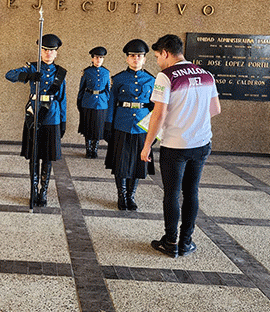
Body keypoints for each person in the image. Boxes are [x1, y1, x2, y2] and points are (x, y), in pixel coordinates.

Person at [142, 34, 220, 258]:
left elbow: (158, 114)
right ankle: (186, 242)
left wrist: (147, 145)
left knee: (172, 193)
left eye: (157, 56)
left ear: (166, 53)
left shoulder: (166, 76)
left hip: (175, 145)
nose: (157, 61)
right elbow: (215, 109)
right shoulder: (206, 74)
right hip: (202, 143)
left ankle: (170, 241)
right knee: (191, 192)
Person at [5, 34, 66, 207]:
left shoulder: (60, 73)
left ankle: (43, 191)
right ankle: (33, 190)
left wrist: (63, 122)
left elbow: (62, 99)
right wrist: (29, 77)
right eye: (45, 50)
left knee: (47, 157)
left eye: (51, 51)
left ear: (56, 53)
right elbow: (9, 75)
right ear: (40, 51)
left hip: (52, 117)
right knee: (34, 156)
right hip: (33, 116)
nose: (48, 53)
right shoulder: (32, 67)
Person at [104, 39, 155, 211]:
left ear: (144, 59)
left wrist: (155, 131)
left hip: (141, 126)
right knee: (121, 162)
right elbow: (111, 102)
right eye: (132, 56)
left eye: (139, 56)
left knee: (138, 162)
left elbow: (155, 108)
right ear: (127, 58)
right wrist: (108, 124)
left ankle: (131, 195)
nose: (135, 59)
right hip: (122, 124)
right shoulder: (118, 79)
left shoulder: (151, 80)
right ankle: (121, 194)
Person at [77, 46, 110, 158]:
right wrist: (80, 103)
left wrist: (107, 103)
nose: (98, 60)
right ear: (92, 59)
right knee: (88, 127)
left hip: (101, 103)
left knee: (98, 127)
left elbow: (108, 90)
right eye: (96, 58)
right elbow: (81, 89)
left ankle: (94, 149)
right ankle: (88, 149)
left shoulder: (106, 72)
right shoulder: (87, 72)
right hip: (88, 102)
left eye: (101, 58)